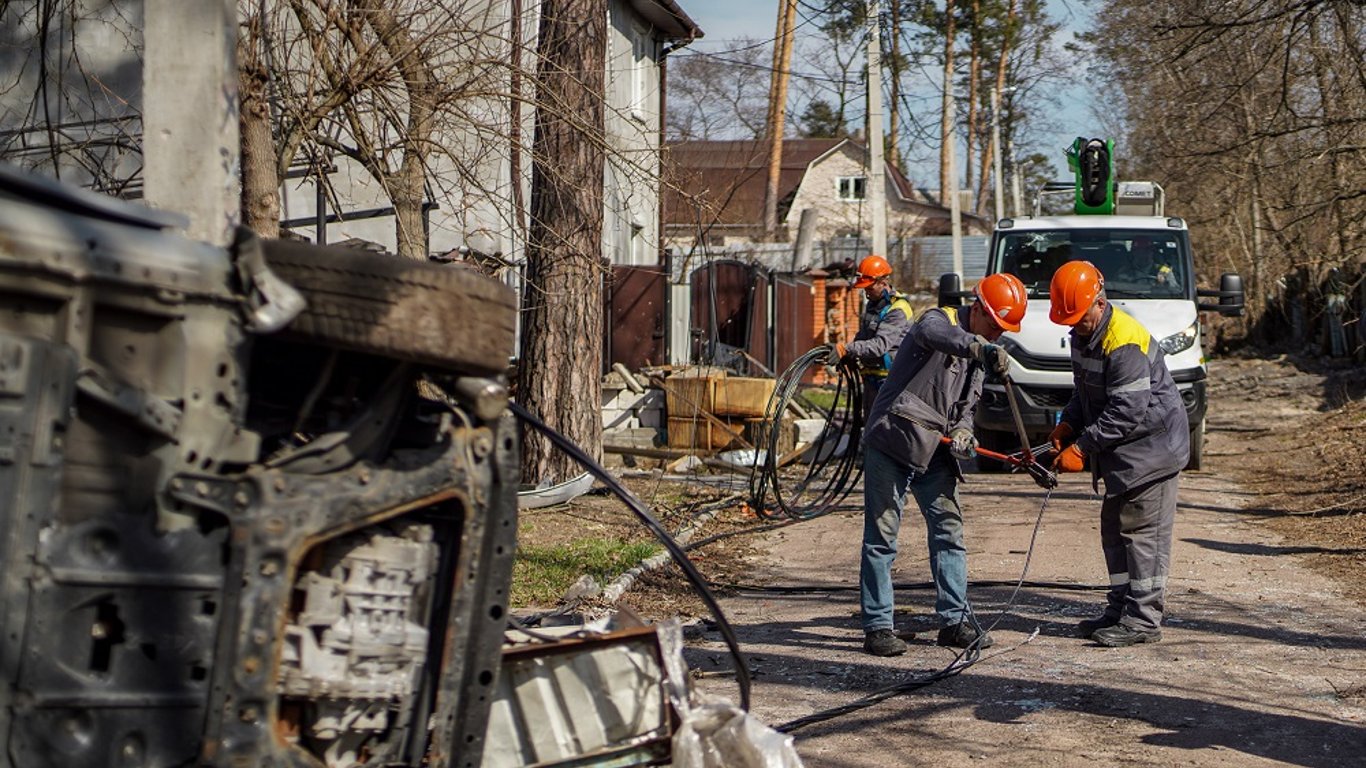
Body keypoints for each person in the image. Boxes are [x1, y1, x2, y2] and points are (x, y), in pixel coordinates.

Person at [858, 273, 1028, 656]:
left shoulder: (980, 358)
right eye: (995, 326)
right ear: (979, 308)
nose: (998, 335)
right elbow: (940, 337)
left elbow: (968, 407)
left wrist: (966, 432)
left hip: (935, 450)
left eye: (1004, 331)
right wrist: (977, 346)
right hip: (892, 441)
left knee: (950, 533)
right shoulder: (937, 320)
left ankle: (954, 622)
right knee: (882, 540)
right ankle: (878, 627)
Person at [1047, 261, 1189, 648]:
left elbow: (1127, 410)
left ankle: (1143, 620)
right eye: (1069, 320)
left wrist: (1081, 447)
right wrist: (1067, 424)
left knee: (1141, 533)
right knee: (1115, 529)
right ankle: (1120, 610)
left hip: (1154, 448)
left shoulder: (1123, 340)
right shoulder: (1083, 335)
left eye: (1079, 317)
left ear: (1099, 301)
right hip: (1127, 449)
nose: (1074, 326)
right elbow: (1084, 391)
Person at [828, 255, 914, 419]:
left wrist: (846, 348)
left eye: (869, 287)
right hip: (871, 378)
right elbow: (863, 336)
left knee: (883, 431)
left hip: (891, 381)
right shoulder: (873, 305)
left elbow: (879, 345)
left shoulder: (898, 309)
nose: (866, 292)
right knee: (868, 427)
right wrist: (850, 354)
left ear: (883, 282)